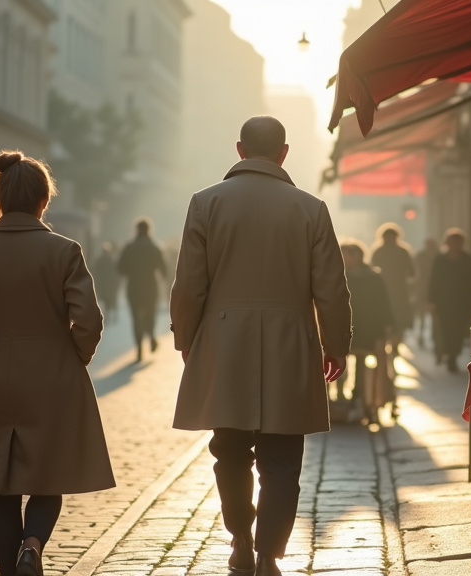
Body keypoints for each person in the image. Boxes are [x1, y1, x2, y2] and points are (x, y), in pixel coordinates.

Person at [170, 116, 351, 576]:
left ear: (239, 149)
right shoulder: (310, 208)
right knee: (283, 454)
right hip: (291, 343)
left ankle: (240, 538)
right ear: (284, 153)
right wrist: (336, 344)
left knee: (229, 448)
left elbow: (189, 284)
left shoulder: (205, 203)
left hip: (225, 342)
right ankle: (269, 551)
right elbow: (331, 287)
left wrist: (186, 337)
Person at [0, 150, 115, 576]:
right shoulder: (65, 250)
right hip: (53, 376)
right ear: (43, 201)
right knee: (48, 476)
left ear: (0, 196)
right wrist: (75, 357)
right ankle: (32, 546)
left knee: (2, 486)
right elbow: (88, 319)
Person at [339, 239, 396, 426]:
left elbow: (383, 304)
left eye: (347, 254)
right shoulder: (338, 275)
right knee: (339, 365)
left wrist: (388, 326)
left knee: (367, 367)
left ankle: (365, 402)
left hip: (368, 328)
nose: (344, 258)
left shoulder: (373, 276)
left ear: (357, 256)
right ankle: (340, 402)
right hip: (344, 327)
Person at [428, 228, 471, 373]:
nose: (455, 245)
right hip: (443, 302)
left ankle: (452, 355)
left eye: (458, 242)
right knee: (444, 329)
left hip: (463, 302)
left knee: (458, 330)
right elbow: (433, 281)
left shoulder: (469, 260)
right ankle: (445, 352)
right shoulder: (440, 259)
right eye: (452, 242)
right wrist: (431, 300)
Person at [117, 218, 167, 362]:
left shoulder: (129, 247)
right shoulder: (155, 247)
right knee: (150, 314)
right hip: (151, 286)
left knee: (136, 318)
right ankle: (151, 335)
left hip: (134, 287)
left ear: (136, 230)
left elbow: (120, 269)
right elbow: (163, 270)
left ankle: (139, 347)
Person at [369, 223, 414, 353]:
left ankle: (394, 343)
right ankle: (391, 342)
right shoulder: (383, 251)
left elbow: (411, 271)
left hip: (398, 291)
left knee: (398, 320)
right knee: (392, 319)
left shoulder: (401, 251)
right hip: (385, 291)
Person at [412, 237, 439, 351]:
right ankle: (421, 335)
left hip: (434, 290)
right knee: (421, 315)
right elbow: (413, 272)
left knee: (434, 317)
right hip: (422, 289)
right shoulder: (420, 256)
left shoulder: (439, 256)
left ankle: (433, 338)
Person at [92, 242, 121, 325]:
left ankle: (107, 315)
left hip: (103, 284)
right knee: (111, 299)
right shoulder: (112, 260)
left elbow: (95, 272)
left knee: (105, 300)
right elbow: (116, 273)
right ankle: (113, 315)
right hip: (110, 284)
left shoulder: (99, 260)